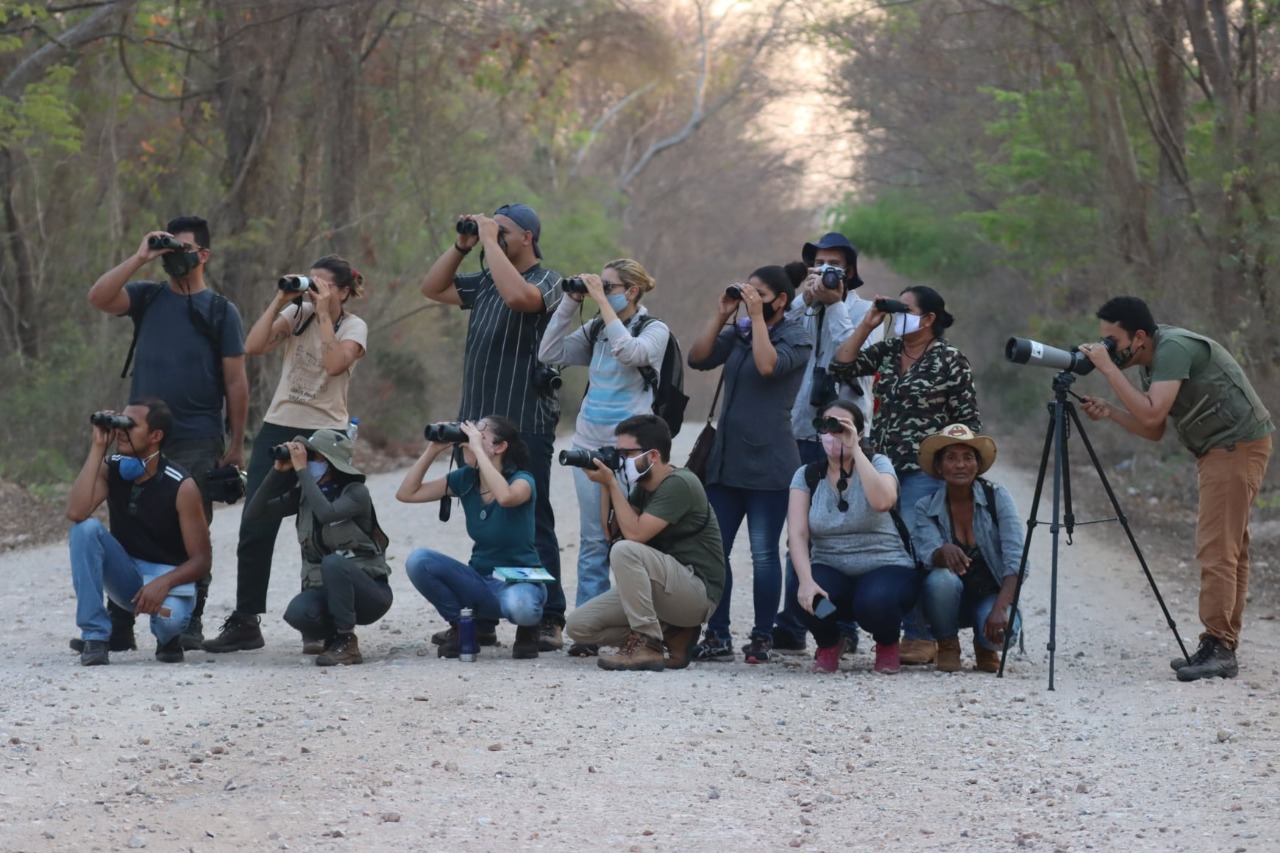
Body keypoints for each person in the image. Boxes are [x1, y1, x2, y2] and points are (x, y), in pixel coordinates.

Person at [1079, 296, 1273, 682]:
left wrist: (1106, 371)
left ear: (1138, 336)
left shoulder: (1174, 348)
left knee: (1217, 547)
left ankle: (1218, 646)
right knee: (1231, 547)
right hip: (1224, 447)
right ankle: (1223, 642)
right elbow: (1154, 429)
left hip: (1234, 445)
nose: (1108, 350)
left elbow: (1151, 413)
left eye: (1112, 342)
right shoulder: (1150, 361)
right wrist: (1111, 411)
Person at [87, 216, 248, 650]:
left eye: (183, 248)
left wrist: (235, 443)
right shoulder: (147, 297)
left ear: (204, 255)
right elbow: (99, 297)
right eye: (169, 248)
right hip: (137, 432)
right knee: (124, 517)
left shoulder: (221, 310)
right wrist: (141, 257)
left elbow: (236, 381)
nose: (174, 256)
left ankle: (187, 621)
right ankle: (119, 623)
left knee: (191, 527)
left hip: (197, 434)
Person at [204, 256, 369, 654]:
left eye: (321, 285)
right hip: (279, 422)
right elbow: (253, 345)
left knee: (318, 527)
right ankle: (246, 619)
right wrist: (282, 299)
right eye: (308, 282)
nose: (312, 290)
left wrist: (326, 314)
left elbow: (333, 365)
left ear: (343, 291)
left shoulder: (353, 326)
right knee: (255, 519)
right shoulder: (298, 312)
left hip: (326, 433)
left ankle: (318, 621)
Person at [420, 203, 566, 651]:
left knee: (531, 518)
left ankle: (548, 616)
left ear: (528, 236)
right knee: (479, 513)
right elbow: (432, 288)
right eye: (491, 230)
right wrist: (463, 244)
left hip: (525, 422)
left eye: (504, 231)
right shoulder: (485, 279)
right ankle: (482, 615)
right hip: (478, 422)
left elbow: (519, 298)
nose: (495, 236)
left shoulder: (549, 281)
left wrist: (489, 241)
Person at [829, 285, 980, 665]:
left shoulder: (950, 360)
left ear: (928, 319)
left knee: (917, 548)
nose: (898, 315)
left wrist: (956, 472)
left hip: (925, 471)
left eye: (906, 310)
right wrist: (869, 322)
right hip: (882, 465)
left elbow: (968, 422)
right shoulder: (889, 351)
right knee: (890, 548)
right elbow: (841, 365)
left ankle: (921, 634)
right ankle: (901, 631)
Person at [537, 260, 669, 655]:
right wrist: (569, 301)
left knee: (634, 541)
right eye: (600, 284)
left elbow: (630, 353)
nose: (601, 290)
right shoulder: (595, 329)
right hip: (591, 446)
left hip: (633, 452)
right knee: (595, 540)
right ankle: (588, 632)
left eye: (609, 285)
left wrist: (602, 303)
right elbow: (549, 352)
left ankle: (643, 628)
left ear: (630, 291)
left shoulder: (654, 330)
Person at [686, 265, 812, 663]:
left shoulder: (796, 336)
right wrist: (723, 313)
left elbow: (767, 365)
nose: (751, 298)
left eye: (760, 293)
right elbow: (698, 358)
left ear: (781, 300)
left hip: (771, 464)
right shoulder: (739, 332)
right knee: (714, 552)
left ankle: (762, 636)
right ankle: (717, 634)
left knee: (763, 554)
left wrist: (756, 318)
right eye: (748, 291)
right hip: (725, 462)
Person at [773, 233, 882, 655]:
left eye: (833, 265)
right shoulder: (805, 308)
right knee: (797, 531)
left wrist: (835, 305)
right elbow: (781, 338)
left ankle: (844, 625)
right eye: (817, 265)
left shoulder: (864, 313)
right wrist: (803, 299)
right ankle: (793, 622)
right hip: (800, 429)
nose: (824, 272)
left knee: (842, 531)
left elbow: (852, 359)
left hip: (846, 434)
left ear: (850, 271)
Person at [565, 414, 725, 671]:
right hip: (665, 587)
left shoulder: (680, 483)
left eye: (626, 453)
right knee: (579, 626)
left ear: (653, 456)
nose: (620, 460)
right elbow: (611, 532)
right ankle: (671, 633)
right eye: (617, 453)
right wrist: (607, 483)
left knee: (626, 551)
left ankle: (646, 645)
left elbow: (635, 537)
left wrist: (612, 484)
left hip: (697, 592)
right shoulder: (644, 486)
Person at [65, 399, 212, 666]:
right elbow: (76, 512)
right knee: (85, 529)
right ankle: (95, 637)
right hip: (128, 578)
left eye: (130, 426)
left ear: (156, 436)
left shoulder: (181, 486)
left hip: (166, 580)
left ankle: (168, 640)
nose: (121, 430)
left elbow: (202, 560)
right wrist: (98, 447)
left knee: (171, 620)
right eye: (121, 422)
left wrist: (163, 583)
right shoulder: (114, 469)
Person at [397, 416, 547, 660]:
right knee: (418, 560)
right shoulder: (465, 478)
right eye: (468, 436)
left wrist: (478, 449)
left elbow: (506, 497)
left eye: (479, 435)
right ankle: (464, 628)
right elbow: (407, 493)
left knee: (520, 607)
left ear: (500, 447)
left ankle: (528, 630)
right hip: (480, 581)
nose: (467, 441)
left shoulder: (523, 480)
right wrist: (432, 450)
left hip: (519, 582)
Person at [786, 400, 917, 673]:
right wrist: (806, 582)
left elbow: (883, 501)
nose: (833, 434)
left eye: (842, 426)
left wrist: (856, 449)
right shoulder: (807, 475)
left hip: (885, 563)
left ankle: (887, 642)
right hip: (831, 565)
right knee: (803, 595)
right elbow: (797, 534)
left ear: (858, 431)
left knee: (874, 602)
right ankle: (830, 642)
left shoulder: (878, 463)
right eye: (827, 426)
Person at [241, 429, 390, 666]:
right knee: (299, 612)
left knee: (333, 562)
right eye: (305, 456)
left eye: (313, 457)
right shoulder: (305, 495)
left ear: (331, 463)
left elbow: (326, 513)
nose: (307, 461)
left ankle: (346, 641)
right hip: (331, 593)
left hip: (370, 594)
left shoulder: (356, 493)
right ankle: (331, 639)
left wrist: (301, 471)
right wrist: (277, 471)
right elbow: (254, 513)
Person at [914, 425, 1024, 673]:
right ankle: (947, 643)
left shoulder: (998, 497)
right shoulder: (926, 506)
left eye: (967, 458)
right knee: (940, 579)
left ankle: (984, 646)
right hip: (951, 599)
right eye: (951, 458)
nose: (960, 465)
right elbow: (927, 554)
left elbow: (1017, 559)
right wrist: (942, 551)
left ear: (977, 464)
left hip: (990, 595)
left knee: (1004, 634)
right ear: (939, 467)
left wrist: (1000, 609)